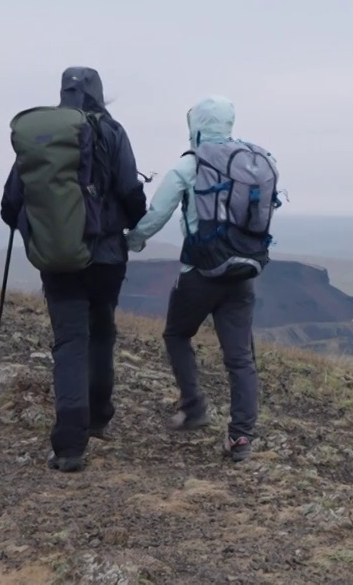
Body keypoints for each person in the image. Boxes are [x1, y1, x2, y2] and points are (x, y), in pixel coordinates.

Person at [0, 66, 147, 473]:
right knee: (101, 334)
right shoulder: (113, 132)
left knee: (69, 342)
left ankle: (69, 446)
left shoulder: (45, 139)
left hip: (60, 257)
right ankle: (99, 417)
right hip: (107, 257)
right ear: (101, 93)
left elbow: (10, 201)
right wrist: (135, 220)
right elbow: (130, 190)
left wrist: (35, 228)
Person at [126, 95, 279, 463]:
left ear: (195, 126)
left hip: (199, 273)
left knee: (177, 334)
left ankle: (194, 405)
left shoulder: (191, 164)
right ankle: (241, 438)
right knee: (240, 358)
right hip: (244, 272)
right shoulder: (254, 162)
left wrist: (132, 240)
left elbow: (158, 212)